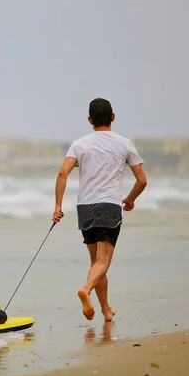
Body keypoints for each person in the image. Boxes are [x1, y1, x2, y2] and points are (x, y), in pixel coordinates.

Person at [52, 97, 147, 321]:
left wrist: (57, 206)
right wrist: (131, 199)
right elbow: (142, 180)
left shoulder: (79, 144)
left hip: (85, 207)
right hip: (108, 207)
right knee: (103, 263)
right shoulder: (124, 144)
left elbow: (62, 173)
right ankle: (85, 289)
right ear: (113, 117)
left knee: (96, 263)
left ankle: (105, 310)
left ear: (89, 120)